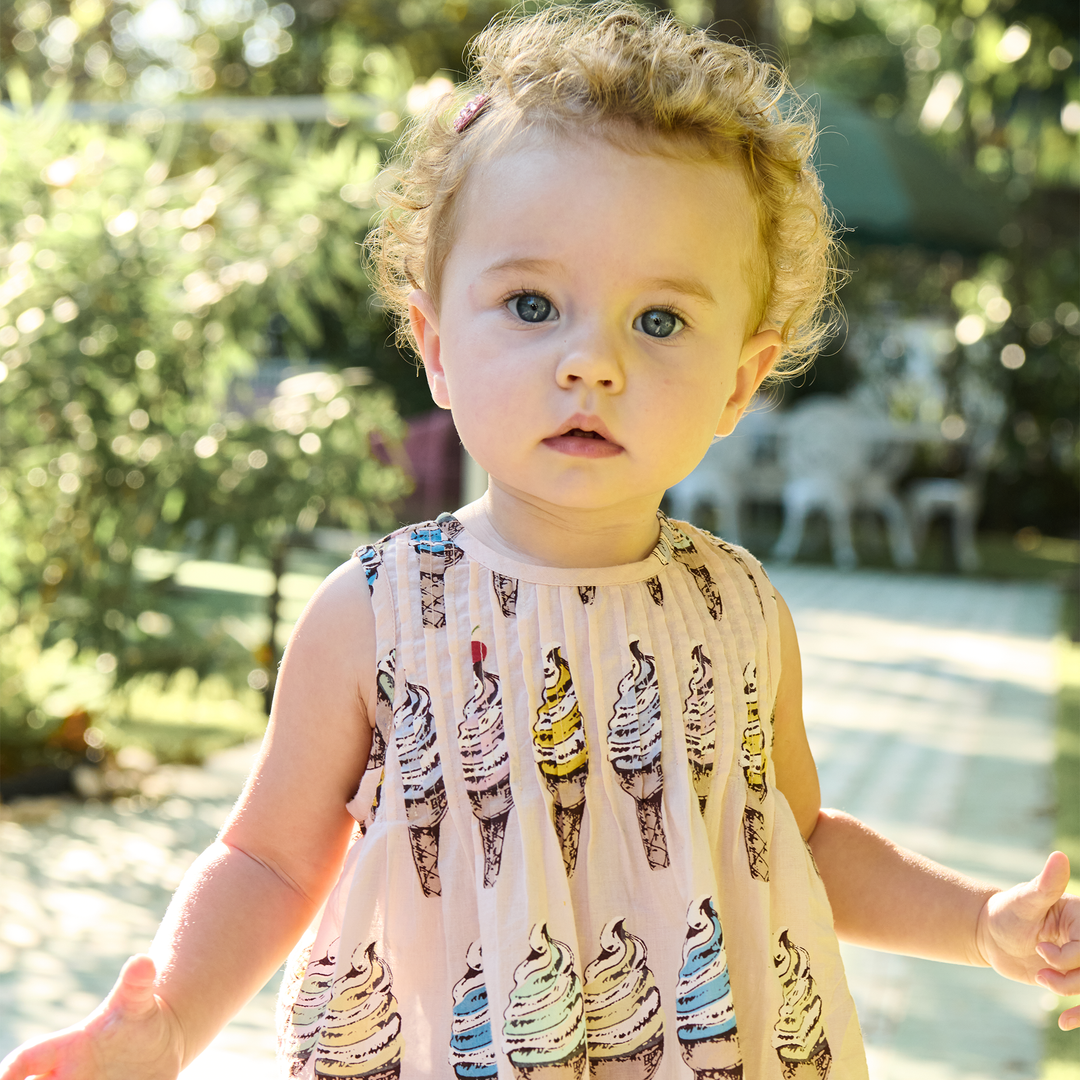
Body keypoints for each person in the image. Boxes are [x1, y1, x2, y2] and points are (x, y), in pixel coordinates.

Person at [3, 4, 1077, 1078]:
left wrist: (979, 924)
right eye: (530, 304)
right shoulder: (375, 615)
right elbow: (269, 862)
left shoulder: (742, 611)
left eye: (659, 321)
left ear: (739, 382)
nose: (591, 363)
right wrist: (171, 1023)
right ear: (435, 346)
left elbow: (792, 842)